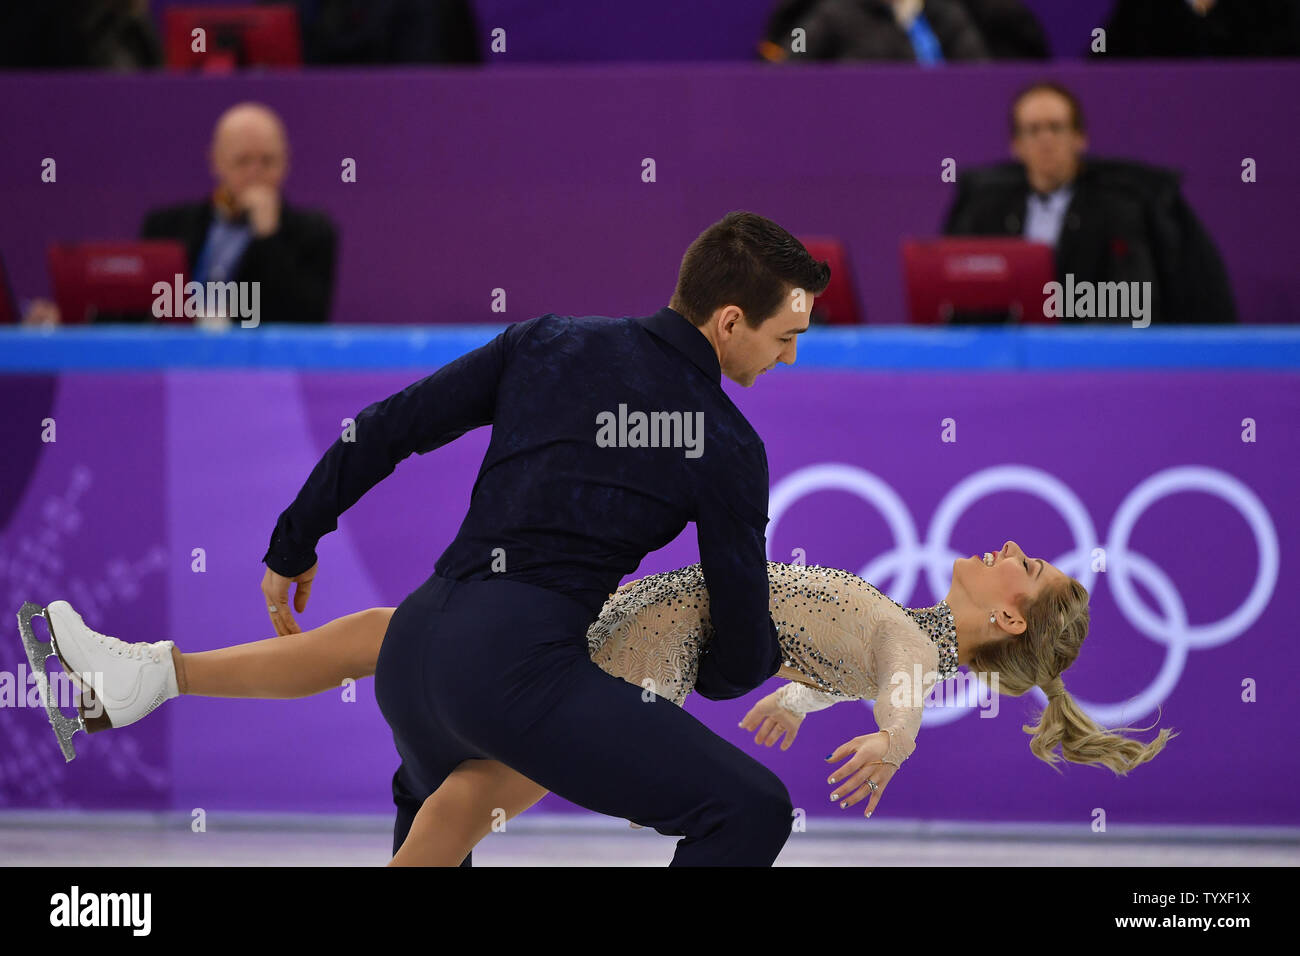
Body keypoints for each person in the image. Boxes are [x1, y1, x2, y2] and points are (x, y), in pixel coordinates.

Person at [41, 541, 1176, 866]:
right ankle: (148, 673)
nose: (1006, 550)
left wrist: (889, 731)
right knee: (391, 641)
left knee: (461, 797)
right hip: (600, 637)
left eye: (1021, 568)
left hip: (613, 676)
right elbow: (860, 657)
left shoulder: (902, 639)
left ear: (1009, 620)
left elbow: (894, 672)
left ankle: (150, 676)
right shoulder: (900, 622)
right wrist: (803, 697)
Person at [943, 80, 1236, 324]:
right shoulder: (986, 209)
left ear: (1080, 138)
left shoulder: (1119, 207)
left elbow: (1134, 301)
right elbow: (959, 297)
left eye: (1056, 127)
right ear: (1016, 146)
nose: (1045, 140)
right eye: (1032, 129)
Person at [139, 102, 338, 324]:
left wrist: (269, 236)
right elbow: (141, 314)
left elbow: (305, 318)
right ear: (216, 161)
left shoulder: (312, 232)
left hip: (258, 356)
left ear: (285, 163)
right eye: (242, 161)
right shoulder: (167, 227)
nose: (255, 173)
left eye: (267, 161)